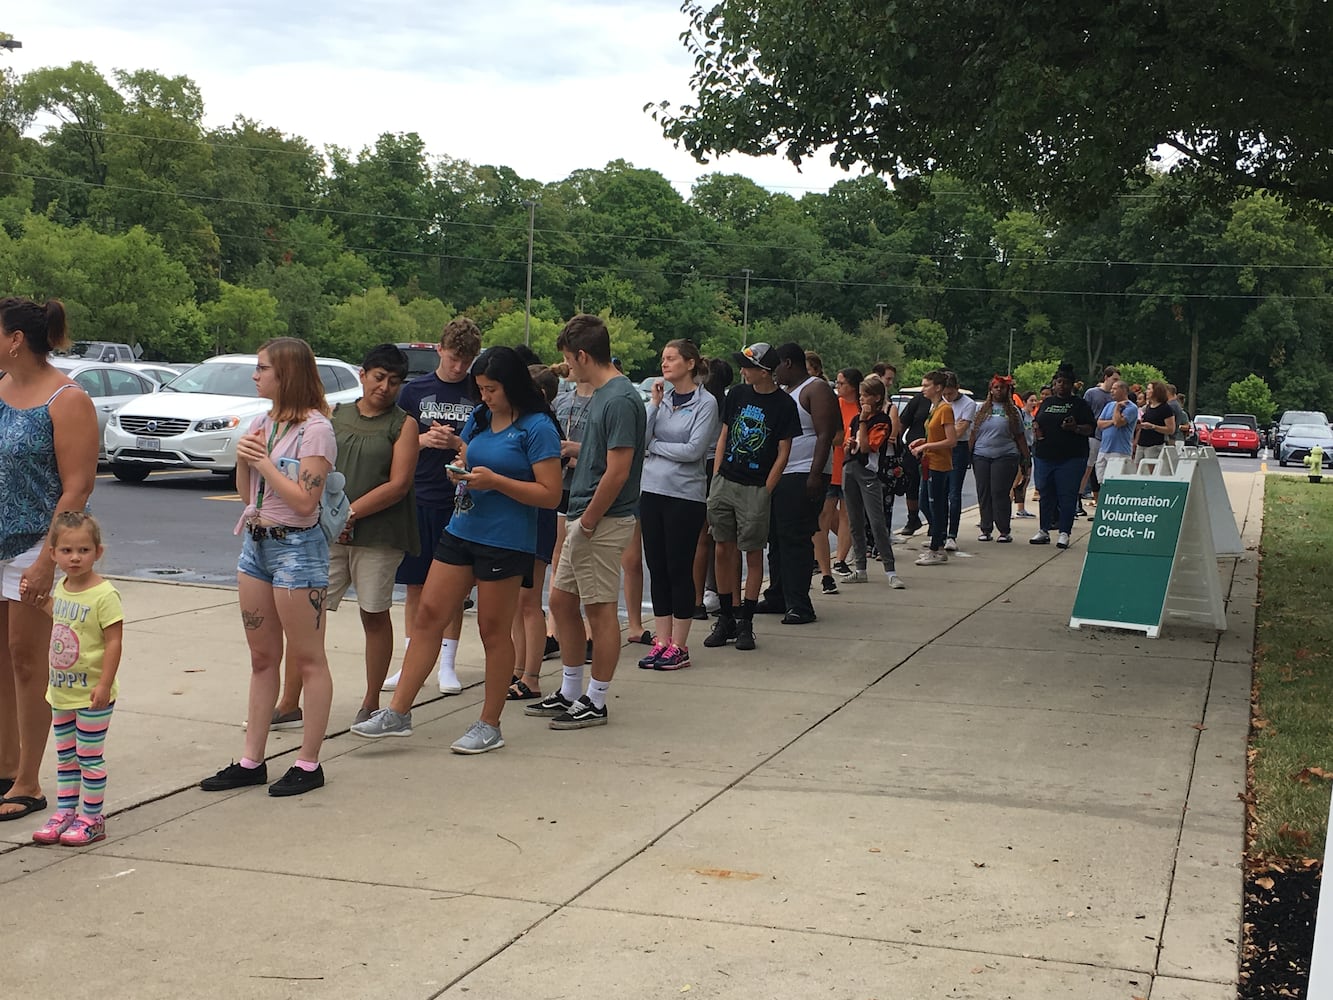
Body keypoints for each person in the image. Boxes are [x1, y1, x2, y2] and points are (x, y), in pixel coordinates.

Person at [352, 347, 562, 752]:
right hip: (462, 526)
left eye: (491, 389)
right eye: (480, 389)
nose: (484, 396)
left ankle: (490, 723)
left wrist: (496, 481)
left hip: (506, 539)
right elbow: (467, 454)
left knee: (492, 630)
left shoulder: (538, 428)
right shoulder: (481, 417)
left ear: (513, 385)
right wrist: (460, 473)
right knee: (429, 614)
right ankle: (398, 711)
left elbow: (550, 494)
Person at [201, 337, 337, 796]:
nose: (255, 376)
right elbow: (248, 494)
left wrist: (264, 462)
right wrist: (245, 461)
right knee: (262, 658)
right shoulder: (264, 421)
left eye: (262, 369)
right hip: (256, 544)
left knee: (308, 657)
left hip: (297, 548)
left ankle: (308, 761)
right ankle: (250, 758)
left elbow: (304, 502)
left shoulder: (316, 430)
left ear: (287, 375)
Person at [274, 345, 419, 727]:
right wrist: (324, 512)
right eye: (378, 377)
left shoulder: (402, 425)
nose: (385, 387)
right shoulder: (333, 415)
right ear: (362, 374)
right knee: (307, 615)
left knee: (374, 613)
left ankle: (371, 701)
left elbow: (399, 484)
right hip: (325, 533)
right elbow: (311, 467)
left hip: (379, 534)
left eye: (394, 381)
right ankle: (289, 702)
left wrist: (351, 512)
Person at [0, 297, 98, 823]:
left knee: (26, 659)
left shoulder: (67, 399)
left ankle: (30, 781)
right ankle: (5, 763)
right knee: (0, 660)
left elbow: (78, 485)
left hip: (34, 546)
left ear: (16, 339)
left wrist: (46, 561)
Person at [526, 316, 646, 729]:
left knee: (599, 610)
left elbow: (618, 469)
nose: (567, 368)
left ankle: (596, 700)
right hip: (583, 514)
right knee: (560, 602)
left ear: (582, 354)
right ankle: (570, 688)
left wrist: (590, 521)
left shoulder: (619, 399)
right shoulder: (603, 395)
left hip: (602, 519)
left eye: (568, 359)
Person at [382, 318, 480, 696]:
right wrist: (424, 439)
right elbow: (398, 441)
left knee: (453, 587)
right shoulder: (414, 391)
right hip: (419, 494)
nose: (459, 367)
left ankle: (449, 663)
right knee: (416, 584)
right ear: (440, 350)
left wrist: (456, 441)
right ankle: (410, 661)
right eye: (454, 358)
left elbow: (483, 442)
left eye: (466, 360)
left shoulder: (478, 391)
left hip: (459, 499)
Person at [24, 513, 121, 845]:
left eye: (83, 550)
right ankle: (66, 812)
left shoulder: (105, 595)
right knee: (66, 756)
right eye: (66, 551)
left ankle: (92, 817)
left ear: (98, 551)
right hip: (62, 693)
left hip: (92, 693)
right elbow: (63, 618)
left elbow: (113, 641)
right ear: (53, 554)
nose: (75, 557)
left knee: (89, 757)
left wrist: (105, 684)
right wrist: (42, 603)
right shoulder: (63, 588)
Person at [703, 343, 798, 651]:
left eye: (747, 367)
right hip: (726, 481)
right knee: (722, 550)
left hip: (755, 487)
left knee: (752, 554)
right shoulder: (737, 395)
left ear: (764, 371)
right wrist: (718, 475)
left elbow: (784, 451)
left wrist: (766, 489)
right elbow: (725, 434)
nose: (742, 372)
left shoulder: (784, 405)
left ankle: (746, 620)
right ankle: (726, 616)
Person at [636, 339, 719, 671]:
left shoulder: (706, 402)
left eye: (671, 358)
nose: (665, 363)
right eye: (663, 358)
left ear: (690, 363)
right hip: (652, 489)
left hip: (685, 495)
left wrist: (656, 446)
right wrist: (654, 406)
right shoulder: (662, 399)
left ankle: (680, 645)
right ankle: (661, 641)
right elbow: (640, 440)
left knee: (678, 568)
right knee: (656, 567)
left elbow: (694, 450)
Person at [755, 343, 838, 625]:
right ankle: (778, 594)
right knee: (775, 537)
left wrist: (816, 475)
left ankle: (800, 604)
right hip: (781, 472)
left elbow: (826, 434)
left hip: (804, 472)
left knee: (795, 538)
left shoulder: (816, 389)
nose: (774, 373)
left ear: (788, 363)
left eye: (777, 366)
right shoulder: (786, 392)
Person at [507, 363, 564, 701]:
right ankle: (516, 667)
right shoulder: (521, 423)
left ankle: (532, 675)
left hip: (537, 517)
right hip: (516, 517)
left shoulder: (543, 427)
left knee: (529, 600)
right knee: (516, 600)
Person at [840, 375, 906, 588]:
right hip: (850, 468)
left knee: (876, 522)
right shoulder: (856, 419)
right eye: (860, 395)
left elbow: (870, 447)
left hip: (868, 472)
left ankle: (890, 570)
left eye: (866, 395)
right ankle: (860, 568)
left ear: (877, 397)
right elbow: (851, 445)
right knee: (854, 521)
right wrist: (850, 443)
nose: (861, 399)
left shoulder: (881, 420)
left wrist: (862, 422)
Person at [1030, 366, 1096, 549]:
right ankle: (1044, 530)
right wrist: (1036, 428)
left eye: (1066, 383)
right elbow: (1039, 420)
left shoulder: (1080, 404)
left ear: (1072, 385)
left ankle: (1064, 532)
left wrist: (1075, 428)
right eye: (1059, 382)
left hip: (1071, 457)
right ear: (1054, 384)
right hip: (1045, 455)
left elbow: (1091, 428)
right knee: (1046, 493)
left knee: (1066, 494)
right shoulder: (1047, 402)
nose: (1061, 386)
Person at [969, 376, 1029, 543]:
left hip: (1005, 455)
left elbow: (1020, 436)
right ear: (990, 389)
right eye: (995, 387)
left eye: (1002, 388)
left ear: (1007, 390)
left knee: (999, 492)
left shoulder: (1013, 411)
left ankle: (1003, 529)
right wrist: (968, 452)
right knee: (984, 491)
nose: (998, 390)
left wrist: (1026, 458)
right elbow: (973, 433)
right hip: (981, 454)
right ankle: (986, 528)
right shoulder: (981, 410)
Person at [907, 370, 956, 566]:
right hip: (929, 461)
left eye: (926, 385)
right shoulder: (933, 408)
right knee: (926, 503)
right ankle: (937, 539)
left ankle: (937, 547)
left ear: (937, 387)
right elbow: (936, 435)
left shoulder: (945, 409)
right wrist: (923, 441)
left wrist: (926, 446)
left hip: (939, 464)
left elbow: (951, 440)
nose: (923, 389)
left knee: (936, 504)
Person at [828, 368, 863, 581]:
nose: (837, 386)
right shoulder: (835, 405)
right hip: (833, 464)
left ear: (851, 385)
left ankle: (840, 559)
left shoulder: (860, 408)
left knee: (846, 514)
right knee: (825, 513)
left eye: (841, 383)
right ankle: (826, 555)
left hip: (850, 465)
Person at [939, 372, 977, 552]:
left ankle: (951, 534)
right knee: (937, 492)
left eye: (950, 394)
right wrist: (951, 427)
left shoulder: (968, 404)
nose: (947, 397)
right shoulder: (940, 402)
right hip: (941, 448)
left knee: (953, 493)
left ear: (957, 389)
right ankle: (938, 530)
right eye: (944, 394)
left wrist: (949, 429)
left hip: (958, 449)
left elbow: (959, 432)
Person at [1078, 366, 1118, 503]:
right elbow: (1083, 411)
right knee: (1087, 467)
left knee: (1101, 469)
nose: (1115, 383)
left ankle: (1101, 498)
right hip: (1093, 435)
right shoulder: (1092, 393)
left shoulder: (1114, 397)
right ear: (1106, 377)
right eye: (1114, 379)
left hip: (1108, 436)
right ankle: (1078, 497)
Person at [896, 388, 931, 537]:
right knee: (911, 485)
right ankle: (913, 519)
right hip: (912, 449)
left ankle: (934, 521)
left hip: (932, 450)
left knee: (930, 489)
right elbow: (903, 423)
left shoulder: (945, 404)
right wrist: (897, 445)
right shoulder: (919, 400)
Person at [1095, 379, 1139, 483]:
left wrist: (1117, 409)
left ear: (1123, 390)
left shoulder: (1131, 408)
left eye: (1115, 389)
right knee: (1101, 481)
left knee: (1115, 482)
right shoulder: (1109, 405)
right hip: (1104, 449)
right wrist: (1112, 421)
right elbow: (1100, 424)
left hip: (1120, 451)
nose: (1111, 391)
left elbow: (1119, 423)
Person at [1135, 381, 1177, 461]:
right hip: (1142, 443)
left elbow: (1171, 429)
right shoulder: (1148, 407)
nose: (1146, 391)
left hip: (1154, 444)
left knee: (1150, 467)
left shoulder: (1165, 408)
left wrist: (1153, 427)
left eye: (1149, 389)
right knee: (1138, 466)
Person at [1013, 391, 1039, 518]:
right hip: (1020, 449)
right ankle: (1007, 505)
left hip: (1029, 449)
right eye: (1031, 400)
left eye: (1035, 400)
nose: (1034, 403)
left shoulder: (1032, 417)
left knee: (1026, 479)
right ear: (1024, 402)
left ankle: (1021, 508)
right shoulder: (1021, 415)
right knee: (1017, 478)